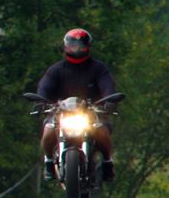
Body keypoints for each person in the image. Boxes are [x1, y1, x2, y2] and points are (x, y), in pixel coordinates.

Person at [35, 28, 118, 182]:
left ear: (88, 46)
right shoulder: (56, 69)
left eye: (80, 46)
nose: (77, 49)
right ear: (66, 46)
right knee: (48, 130)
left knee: (101, 131)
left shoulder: (98, 69)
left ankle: (107, 162)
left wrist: (110, 101)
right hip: (61, 112)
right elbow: (45, 86)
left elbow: (107, 85)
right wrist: (41, 101)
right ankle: (49, 162)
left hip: (93, 112)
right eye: (73, 45)